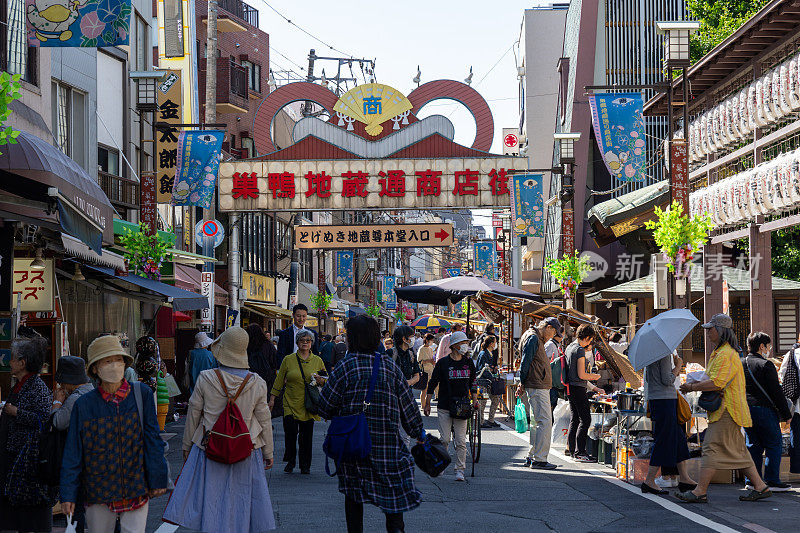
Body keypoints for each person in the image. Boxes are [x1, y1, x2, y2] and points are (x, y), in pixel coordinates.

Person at [317, 315, 423, 533]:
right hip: (388, 448)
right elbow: (409, 408)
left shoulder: (344, 367)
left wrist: (344, 410)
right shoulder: (390, 367)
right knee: (393, 500)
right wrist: (420, 435)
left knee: (354, 498)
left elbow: (324, 406)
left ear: (353, 338)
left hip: (353, 447)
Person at [163, 326, 275, 532]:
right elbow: (265, 420)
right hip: (246, 447)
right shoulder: (257, 382)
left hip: (209, 445)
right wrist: (268, 451)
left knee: (212, 498)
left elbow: (194, 414)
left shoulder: (206, 378)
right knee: (242, 498)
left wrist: (187, 445)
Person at [60, 335, 168, 532]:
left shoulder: (141, 394)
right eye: (107, 361)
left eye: (118, 360)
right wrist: (67, 494)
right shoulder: (84, 405)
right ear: (95, 369)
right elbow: (73, 452)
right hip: (97, 489)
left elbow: (152, 439)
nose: (114, 365)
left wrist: (158, 477)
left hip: (135, 484)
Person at [677, 313, 772, 503]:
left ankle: (699, 491)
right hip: (729, 410)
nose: (707, 333)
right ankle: (760, 486)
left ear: (719, 331)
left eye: (710, 329)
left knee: (711, 447)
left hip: (727, 410)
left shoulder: (726, 354)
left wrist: (691, 387)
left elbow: (717, 383)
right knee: (739, 451)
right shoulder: (722, 353)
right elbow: (714, 378)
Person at [0, 336, 54, 533]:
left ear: (23, 363)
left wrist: (17, 413)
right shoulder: (20, 384)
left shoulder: (37, 387)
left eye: (13, 358)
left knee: (30, 513)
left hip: (27, 461)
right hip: (14, 456)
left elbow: (43, 421)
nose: (10, 362)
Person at [269, 329, 327, 474]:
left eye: (308, 341)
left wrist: (321, 381)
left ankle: (305, 465)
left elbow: (325, 381)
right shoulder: (288, 360)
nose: (305, 343)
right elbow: (279, 380)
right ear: (297, 343)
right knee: (290, 434)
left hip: (308, 404)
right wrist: (272, 398)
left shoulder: (317, 361)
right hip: (290, 402)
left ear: (312, 343)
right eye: (302, 340)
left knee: (306, 437)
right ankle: (290, 461)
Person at [423, 331, 477, 482]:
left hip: (463, 407)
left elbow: (473, 381)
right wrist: (427, 403)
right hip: (445, 405)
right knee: (444, 439)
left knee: (460, 441)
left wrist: (474, 399)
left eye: (466, 342)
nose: (465, 346)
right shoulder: (443, 363)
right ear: (454, 346)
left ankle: (460, 470)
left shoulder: (468, 362)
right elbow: (433, 383)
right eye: (462, 343)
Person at [741, 332, 792, 492]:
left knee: (752, 445)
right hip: (764, 410)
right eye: (768, 346)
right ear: (762, 346)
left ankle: (752, 481)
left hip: (746, 410)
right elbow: (776, 391)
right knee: (773, 444)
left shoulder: (740, 363)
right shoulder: (766, 365)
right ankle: (772, 480)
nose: (769, 349)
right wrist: (786, 414)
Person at [641, 352, 696, 494]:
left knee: (678, 438)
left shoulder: (651, 354)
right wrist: (678, 366)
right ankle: (649, 480)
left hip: (658, 400)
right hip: (665, 400)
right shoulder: (663, 354)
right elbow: (667, 379)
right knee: (663, 439)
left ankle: (684, 477)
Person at [50, 356, 94, 533]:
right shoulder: (92, 391)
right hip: (92, 457)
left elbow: (58, 422)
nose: (61, 386)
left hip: (77, 459)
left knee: (77, 508)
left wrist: (57, 402)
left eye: (62, 382)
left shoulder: (75, 398)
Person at [518, 318, 560, 469]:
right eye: (553, 332)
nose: (552, 336)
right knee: (545, 421)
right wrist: (521, 382)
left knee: (537, 422)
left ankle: (532, 455)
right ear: (548, 327)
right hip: (537, 384)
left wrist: (522, 382)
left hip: (535, 384)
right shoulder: (534, 337)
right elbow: (525, 361)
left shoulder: (533, 336)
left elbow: (526, 360)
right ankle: (540, 459)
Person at [565, 323, 602, 462]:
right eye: (591, 339)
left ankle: (571, 449)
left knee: (574, 419)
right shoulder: (579, 350)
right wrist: (594, 377)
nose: (591, 342)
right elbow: (582, 374)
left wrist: (594, 387)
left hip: (570, 388)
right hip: (578, 388)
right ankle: (580, 452)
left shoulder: (569, 347)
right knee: (585, 419)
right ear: (587, 337)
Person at [476, 335, 501, 428]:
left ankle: (491, 420)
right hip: (483, 382)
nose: (496, 344)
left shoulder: (490, 353)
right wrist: (492, 375)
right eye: (495, 342)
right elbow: (483, 369)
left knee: (495, 399)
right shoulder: (483, 354)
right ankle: (481, 422)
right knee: (483, 402)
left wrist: (493, 370)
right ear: (491, 344)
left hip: (488, 382)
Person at [246, 324, 278, 394]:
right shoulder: (268, 345)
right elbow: (275, 362)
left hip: (250, 379)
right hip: (267, 379)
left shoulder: (247, 345)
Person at [545, 328, 565, 412]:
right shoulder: (550, 345)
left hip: (555, 381)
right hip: (551, 381)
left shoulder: (555, 345)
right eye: (563, 334)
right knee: (552, 405)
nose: (563, 336)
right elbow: (546, 361)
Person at [417, 333, 436, 410]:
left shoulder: (430, 349)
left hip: (431, 371)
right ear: (427, 340)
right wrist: (428, 361)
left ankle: (427, 404)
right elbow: (419, 361)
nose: (432, 342)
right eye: (431, 340)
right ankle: (423, 405)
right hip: (424, 371)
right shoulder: (421, 349)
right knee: (424, 389)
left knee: (429, 389)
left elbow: (432, 360)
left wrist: (433, 362)